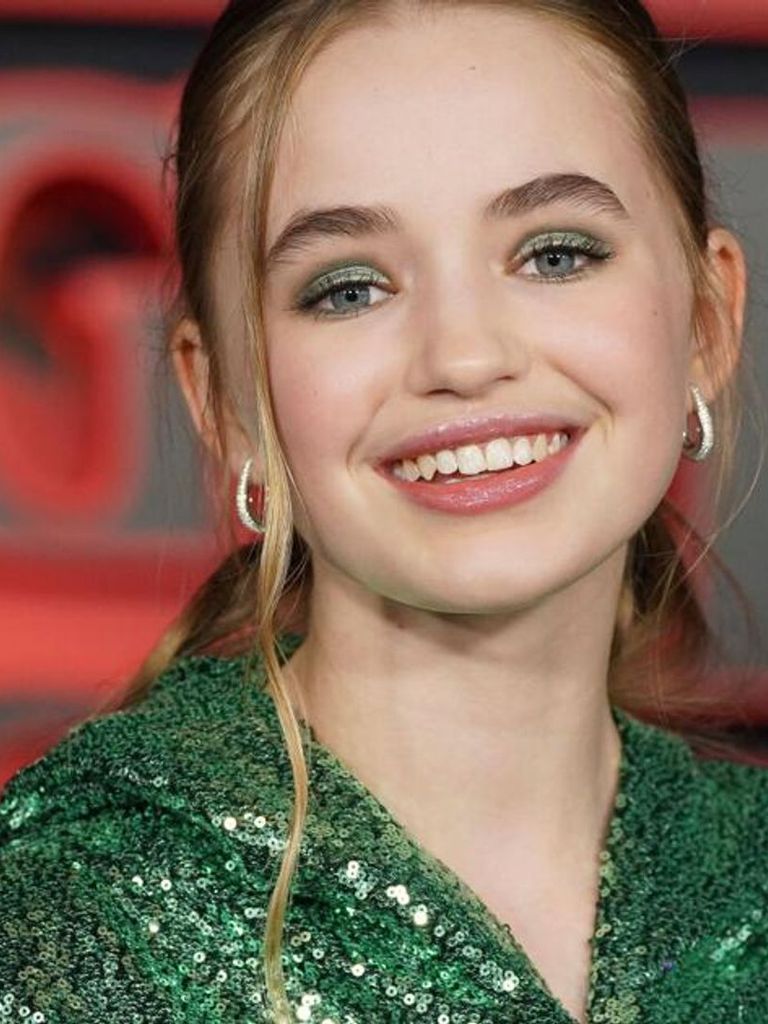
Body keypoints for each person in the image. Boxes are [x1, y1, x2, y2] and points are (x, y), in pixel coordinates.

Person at [0, 0, 765, 1021]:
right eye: (350, 288)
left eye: (555, 253)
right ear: (222, 400)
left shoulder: (748, 880)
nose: (464, 357)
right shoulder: (65, 922)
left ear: (707, 319)